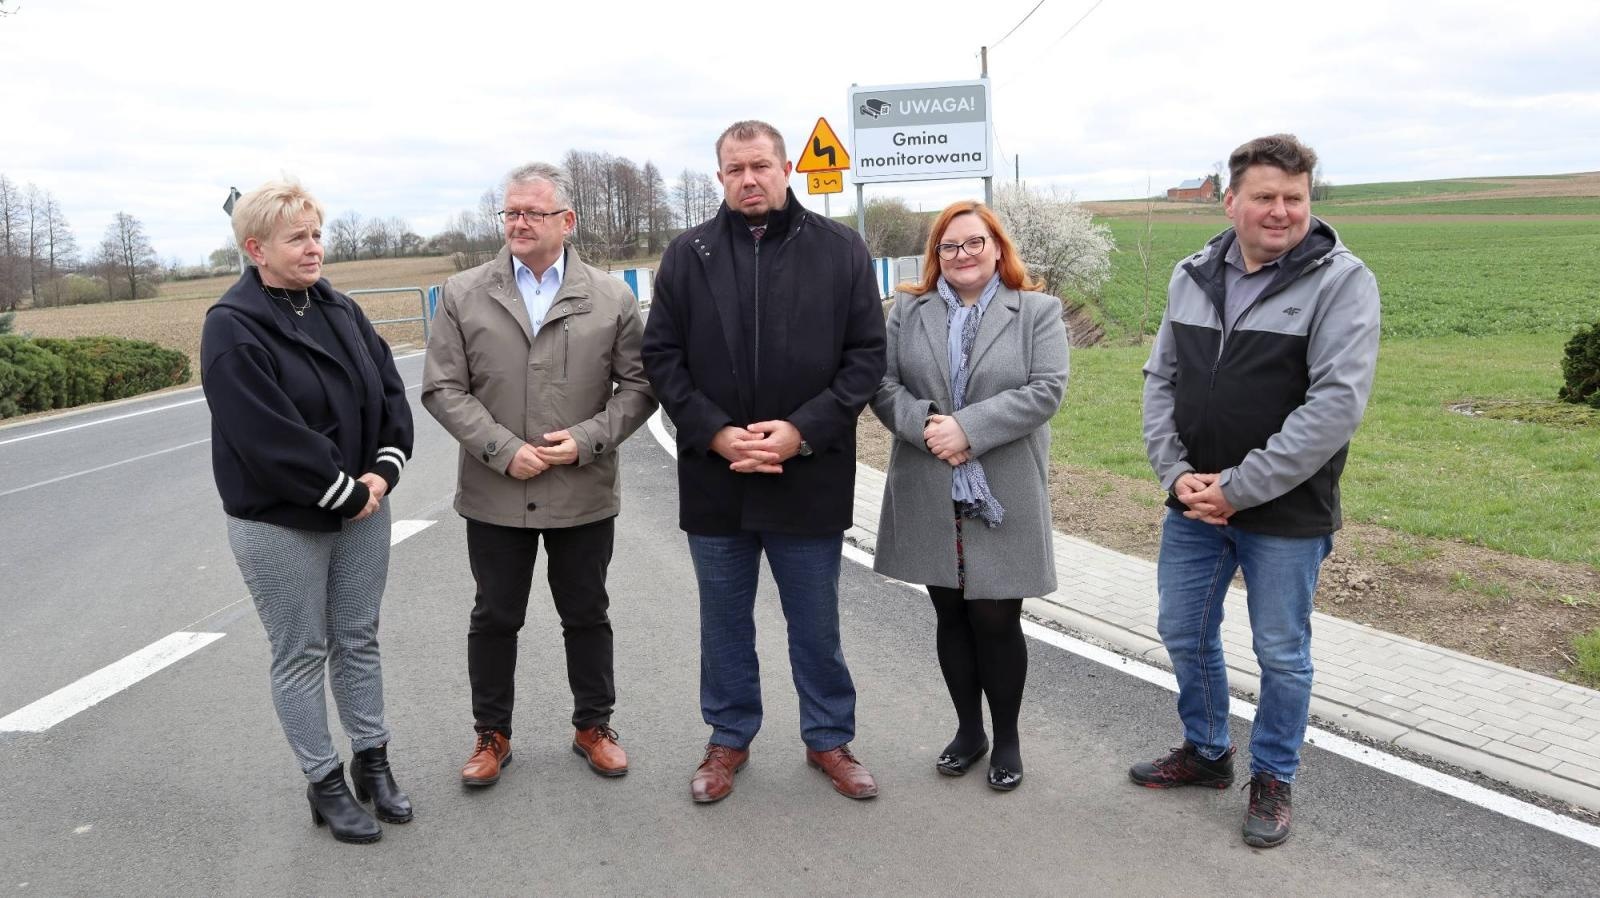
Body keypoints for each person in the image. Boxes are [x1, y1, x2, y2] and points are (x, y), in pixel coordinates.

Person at [1131, 134, 1381, 848]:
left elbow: (1335, 406)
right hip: (1193, 503)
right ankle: (1208, 750)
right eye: (1265, 196)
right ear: (1230, 200)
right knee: (1183, 630)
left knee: (1281, 653)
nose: (1281, 211)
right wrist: (1173, 471)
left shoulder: (1341, 282)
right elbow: (1161, 379)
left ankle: (1273, 777)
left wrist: (1240, 488)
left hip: (1286, 511)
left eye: (1294, 198)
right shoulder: (1191, 274)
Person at [641, 120, 887, 803]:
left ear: (786, 170)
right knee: (723, 624)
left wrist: (800, 432)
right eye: (735, 169)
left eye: (760, 166)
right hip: (716, 478)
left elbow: (866, 358)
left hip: (807, 474)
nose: (748, 179)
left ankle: (829, 737)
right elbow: (661, 357)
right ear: (720, 177)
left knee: (816, 625)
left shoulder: (840, 250)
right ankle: (728, 737)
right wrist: (716, 433)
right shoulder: (688, 255)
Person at [422, 162, 656, 788]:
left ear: (567, 221)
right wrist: (502, 450)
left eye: (533, 212)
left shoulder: (611, 296)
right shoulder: (463, 293)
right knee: (495, 616)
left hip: (582, 490)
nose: (518, 222)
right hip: (495, 492)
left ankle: (594, 727)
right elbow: (443, 387)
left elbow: (639, 388)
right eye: (511, 212)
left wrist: (584, 441)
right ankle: (491, 734)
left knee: (587, 613)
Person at [201, 179, 415, 844]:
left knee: (358, 638)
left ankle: (372, 763)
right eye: (297, 238)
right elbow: (266, 435)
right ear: (256, 248)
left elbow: (388, 393)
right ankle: (324, 782)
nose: (314, 247)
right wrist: (345, 491)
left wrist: (383, 472)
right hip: (280, 523)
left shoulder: (341, 310)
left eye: (317, 234)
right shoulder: (232, 327)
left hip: (363, 511)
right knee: (301, 651)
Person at [869, 201, 1069, 792]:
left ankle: (1006, 739)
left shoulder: (1037, 311)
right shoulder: (908, 311)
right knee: (950, 613)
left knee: (996, 617)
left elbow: (1046, 389)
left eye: (974, 242)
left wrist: (969, 429)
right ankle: (968, 731)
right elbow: (882, 384)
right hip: (929, 481)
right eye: (950, 246)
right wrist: (929, 425)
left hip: (1003, 484)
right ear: (937, 255)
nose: (963, 255)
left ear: (997, 247)